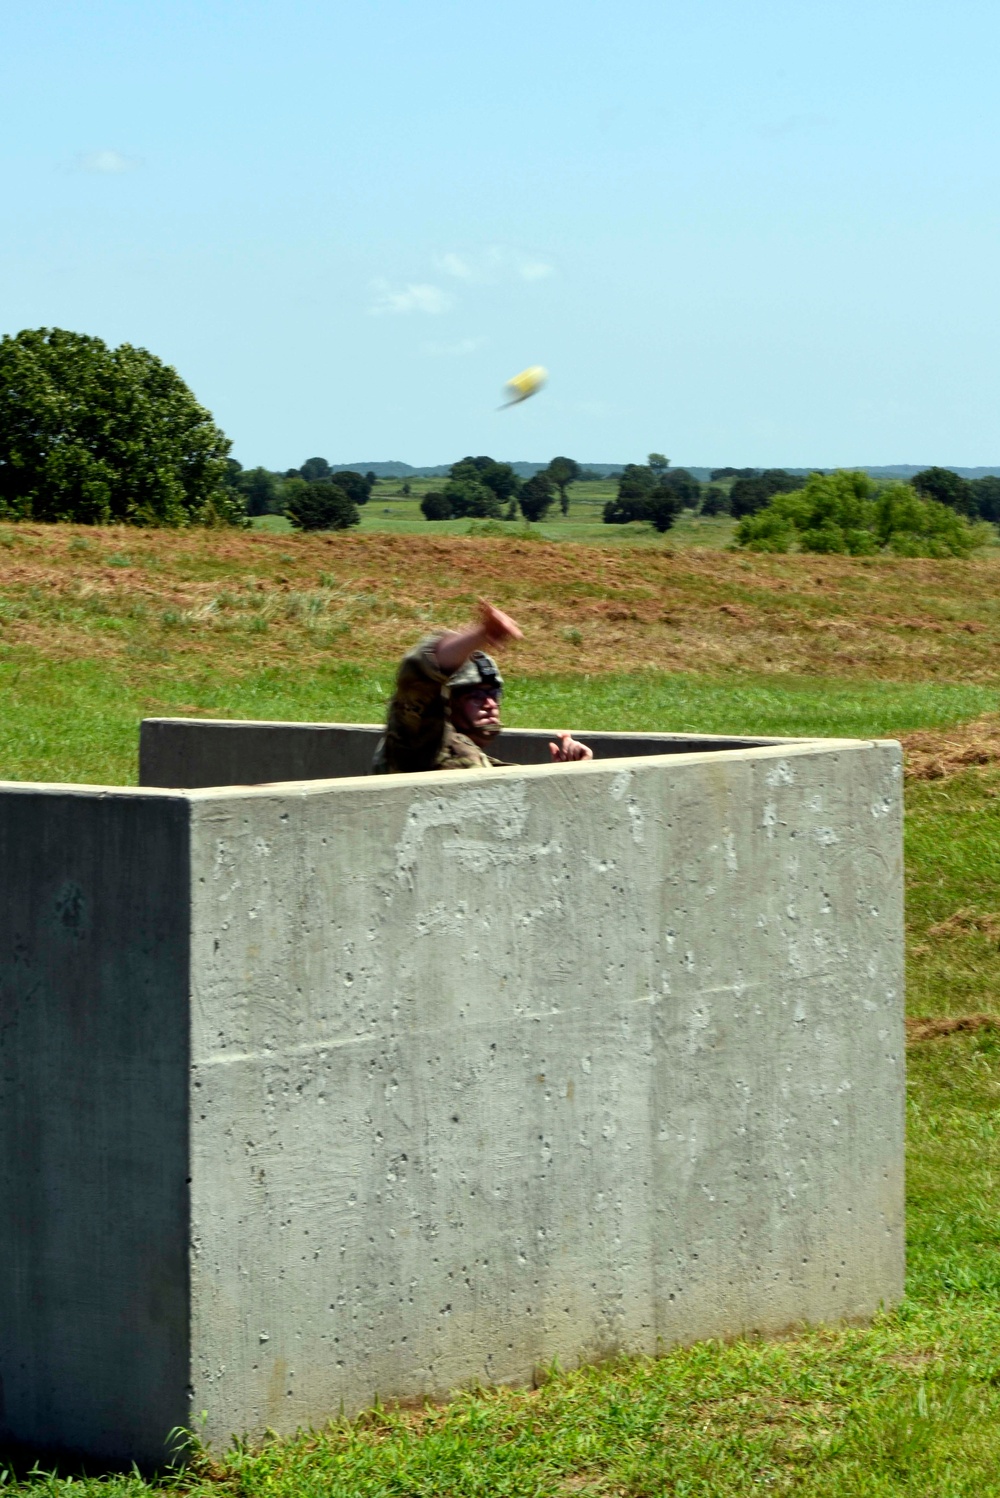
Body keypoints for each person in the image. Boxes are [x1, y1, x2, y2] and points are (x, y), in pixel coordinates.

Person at [371, 598, 594, 774]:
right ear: (449, 702)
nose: (490, 704)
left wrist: (570, 770)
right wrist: (480, 634)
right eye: (476, 695)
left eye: (493, 693)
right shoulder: (416, 744)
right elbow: (418, 672)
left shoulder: (472, 758)